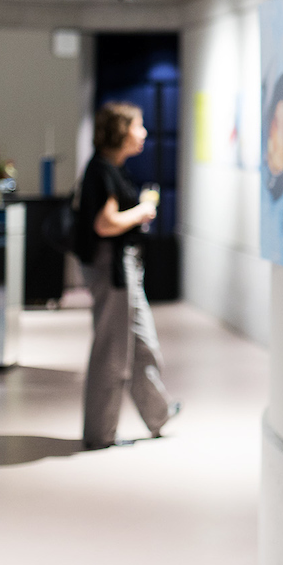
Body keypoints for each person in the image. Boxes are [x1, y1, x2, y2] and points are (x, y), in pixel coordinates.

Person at [74, 101, 179, 449]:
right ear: (121, 132)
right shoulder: (102, 171)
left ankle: (158, 413)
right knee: (112, 351)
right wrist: (142, 212)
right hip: (112, 269)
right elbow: (105, 224)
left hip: (123, 269)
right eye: (138, 126)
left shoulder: (110, 168)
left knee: (142, 344)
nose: (144, 133)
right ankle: (100, 434)